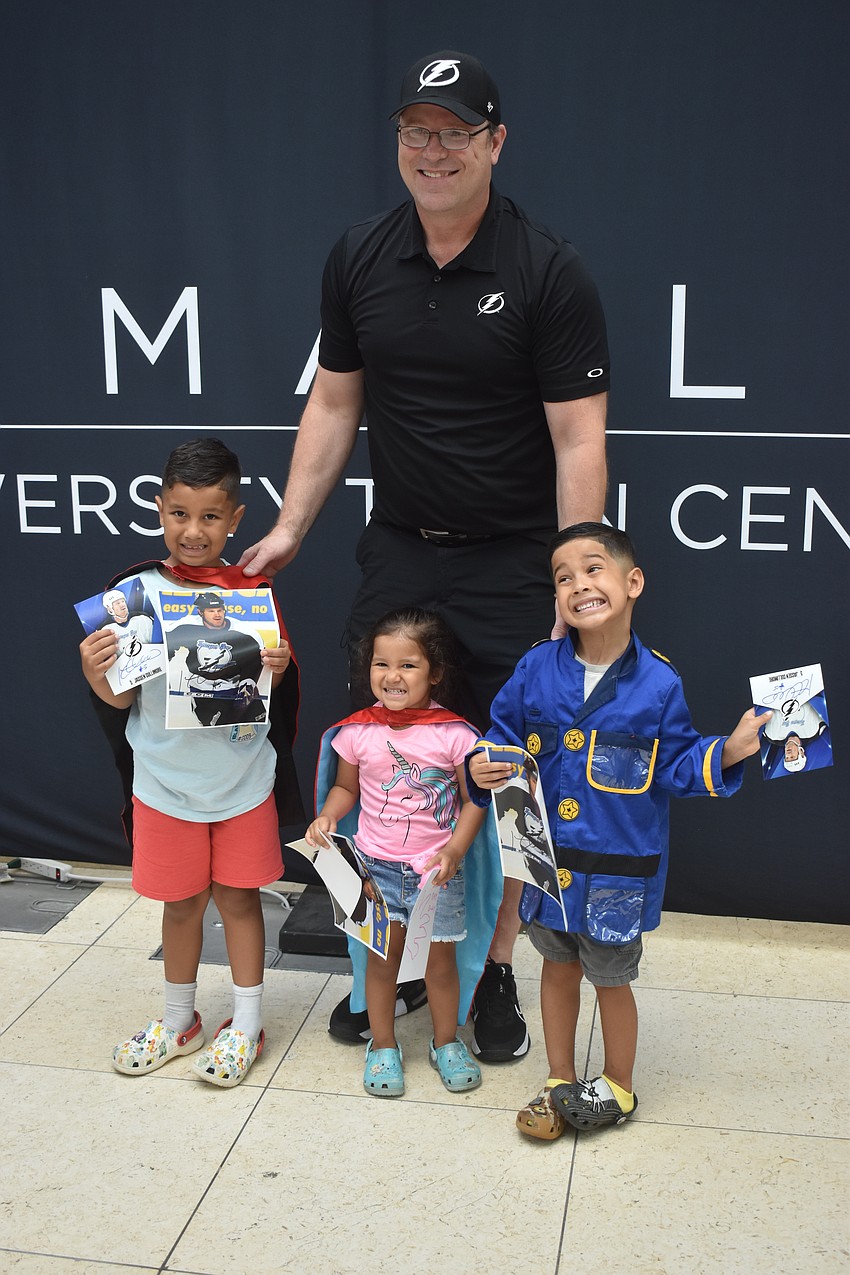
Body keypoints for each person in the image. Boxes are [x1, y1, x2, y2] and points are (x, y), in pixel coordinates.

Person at [240, 49, 610, 1060]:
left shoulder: (546, 268)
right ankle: (389, 972)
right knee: (384, 768)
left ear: (496, 144)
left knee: (500, 779)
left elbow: (579, 437)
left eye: (454, 132)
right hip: (402, 553)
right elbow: (334, 400)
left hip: (509, 561)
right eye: (417, 131)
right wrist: (288, 526)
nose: (432, 151)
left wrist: (571, 577)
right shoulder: (359, 255)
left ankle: (491, 971)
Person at [468, 522, 770, 1136]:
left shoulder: (659, 683)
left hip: (615, 874)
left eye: (593, 568)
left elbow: (679, 764)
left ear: (632, 583)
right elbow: (497, 734)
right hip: (546, 865)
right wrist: (480, 761)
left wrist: (732, 750)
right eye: (563, 577)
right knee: (554, 967)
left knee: (611, 978)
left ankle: (618, 1085)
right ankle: (558, 1078)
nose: (579, 584)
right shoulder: (533, 668)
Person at [79, 438, 302, 1088]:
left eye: (209, 516)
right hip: (164, 786)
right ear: (159, 509)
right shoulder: (134, 593)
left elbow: (274, 695)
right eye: (179, 513)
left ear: (235, 517)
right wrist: (96, 673)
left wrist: (279, 670)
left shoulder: (252, 592)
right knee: (179, 906)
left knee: (239, 900)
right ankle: (180, 1021)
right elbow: (119, 697)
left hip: (241, 786)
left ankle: (248, 1022)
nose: (193, 530)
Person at [305, 609, 500, 1098]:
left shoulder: (457, 735)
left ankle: (445, 1043)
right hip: (375, 871)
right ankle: (384, 1046)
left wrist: (455, 850)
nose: (392, 676)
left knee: (439, 967)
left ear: (434, 673)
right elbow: (346, 788)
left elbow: (476, 799)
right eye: (380, 663)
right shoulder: (356, 733)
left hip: (438, 875)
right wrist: (329, 814)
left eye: (408, 665)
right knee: (382, 963)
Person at [166, 590, 266, 727]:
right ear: (200, 612)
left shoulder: (244, 632)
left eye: (220, 610)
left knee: (253, 726)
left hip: (234, 688)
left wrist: (248, 681)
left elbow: (256, 661)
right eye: (211, 611)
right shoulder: (186, 627)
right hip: (202, 691)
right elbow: (166, 648)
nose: (217, 615)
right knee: (214, 730)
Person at [101, 588, 155, 655]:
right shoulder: (105, 629)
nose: (122, 605)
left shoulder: (143, 618)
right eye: (117, 603)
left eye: (123, 601)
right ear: (110, 608)